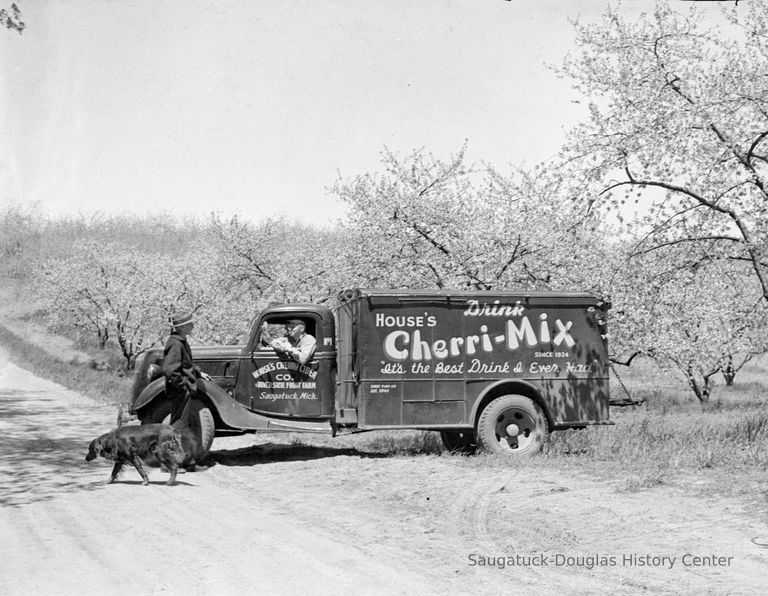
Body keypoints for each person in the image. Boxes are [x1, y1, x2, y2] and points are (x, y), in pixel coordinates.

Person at [162, 310, 210, 469]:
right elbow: (171, 370)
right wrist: (184, 387)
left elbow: (186, 364)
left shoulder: (181, 341)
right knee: (177, 427)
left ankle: (187, 462)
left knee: (184, 427)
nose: (193, 326)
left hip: (183, 391)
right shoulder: (175, 343)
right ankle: (170, 463)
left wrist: (198, 372)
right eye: (190, 324)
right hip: (180, 392)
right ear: (182, 327)